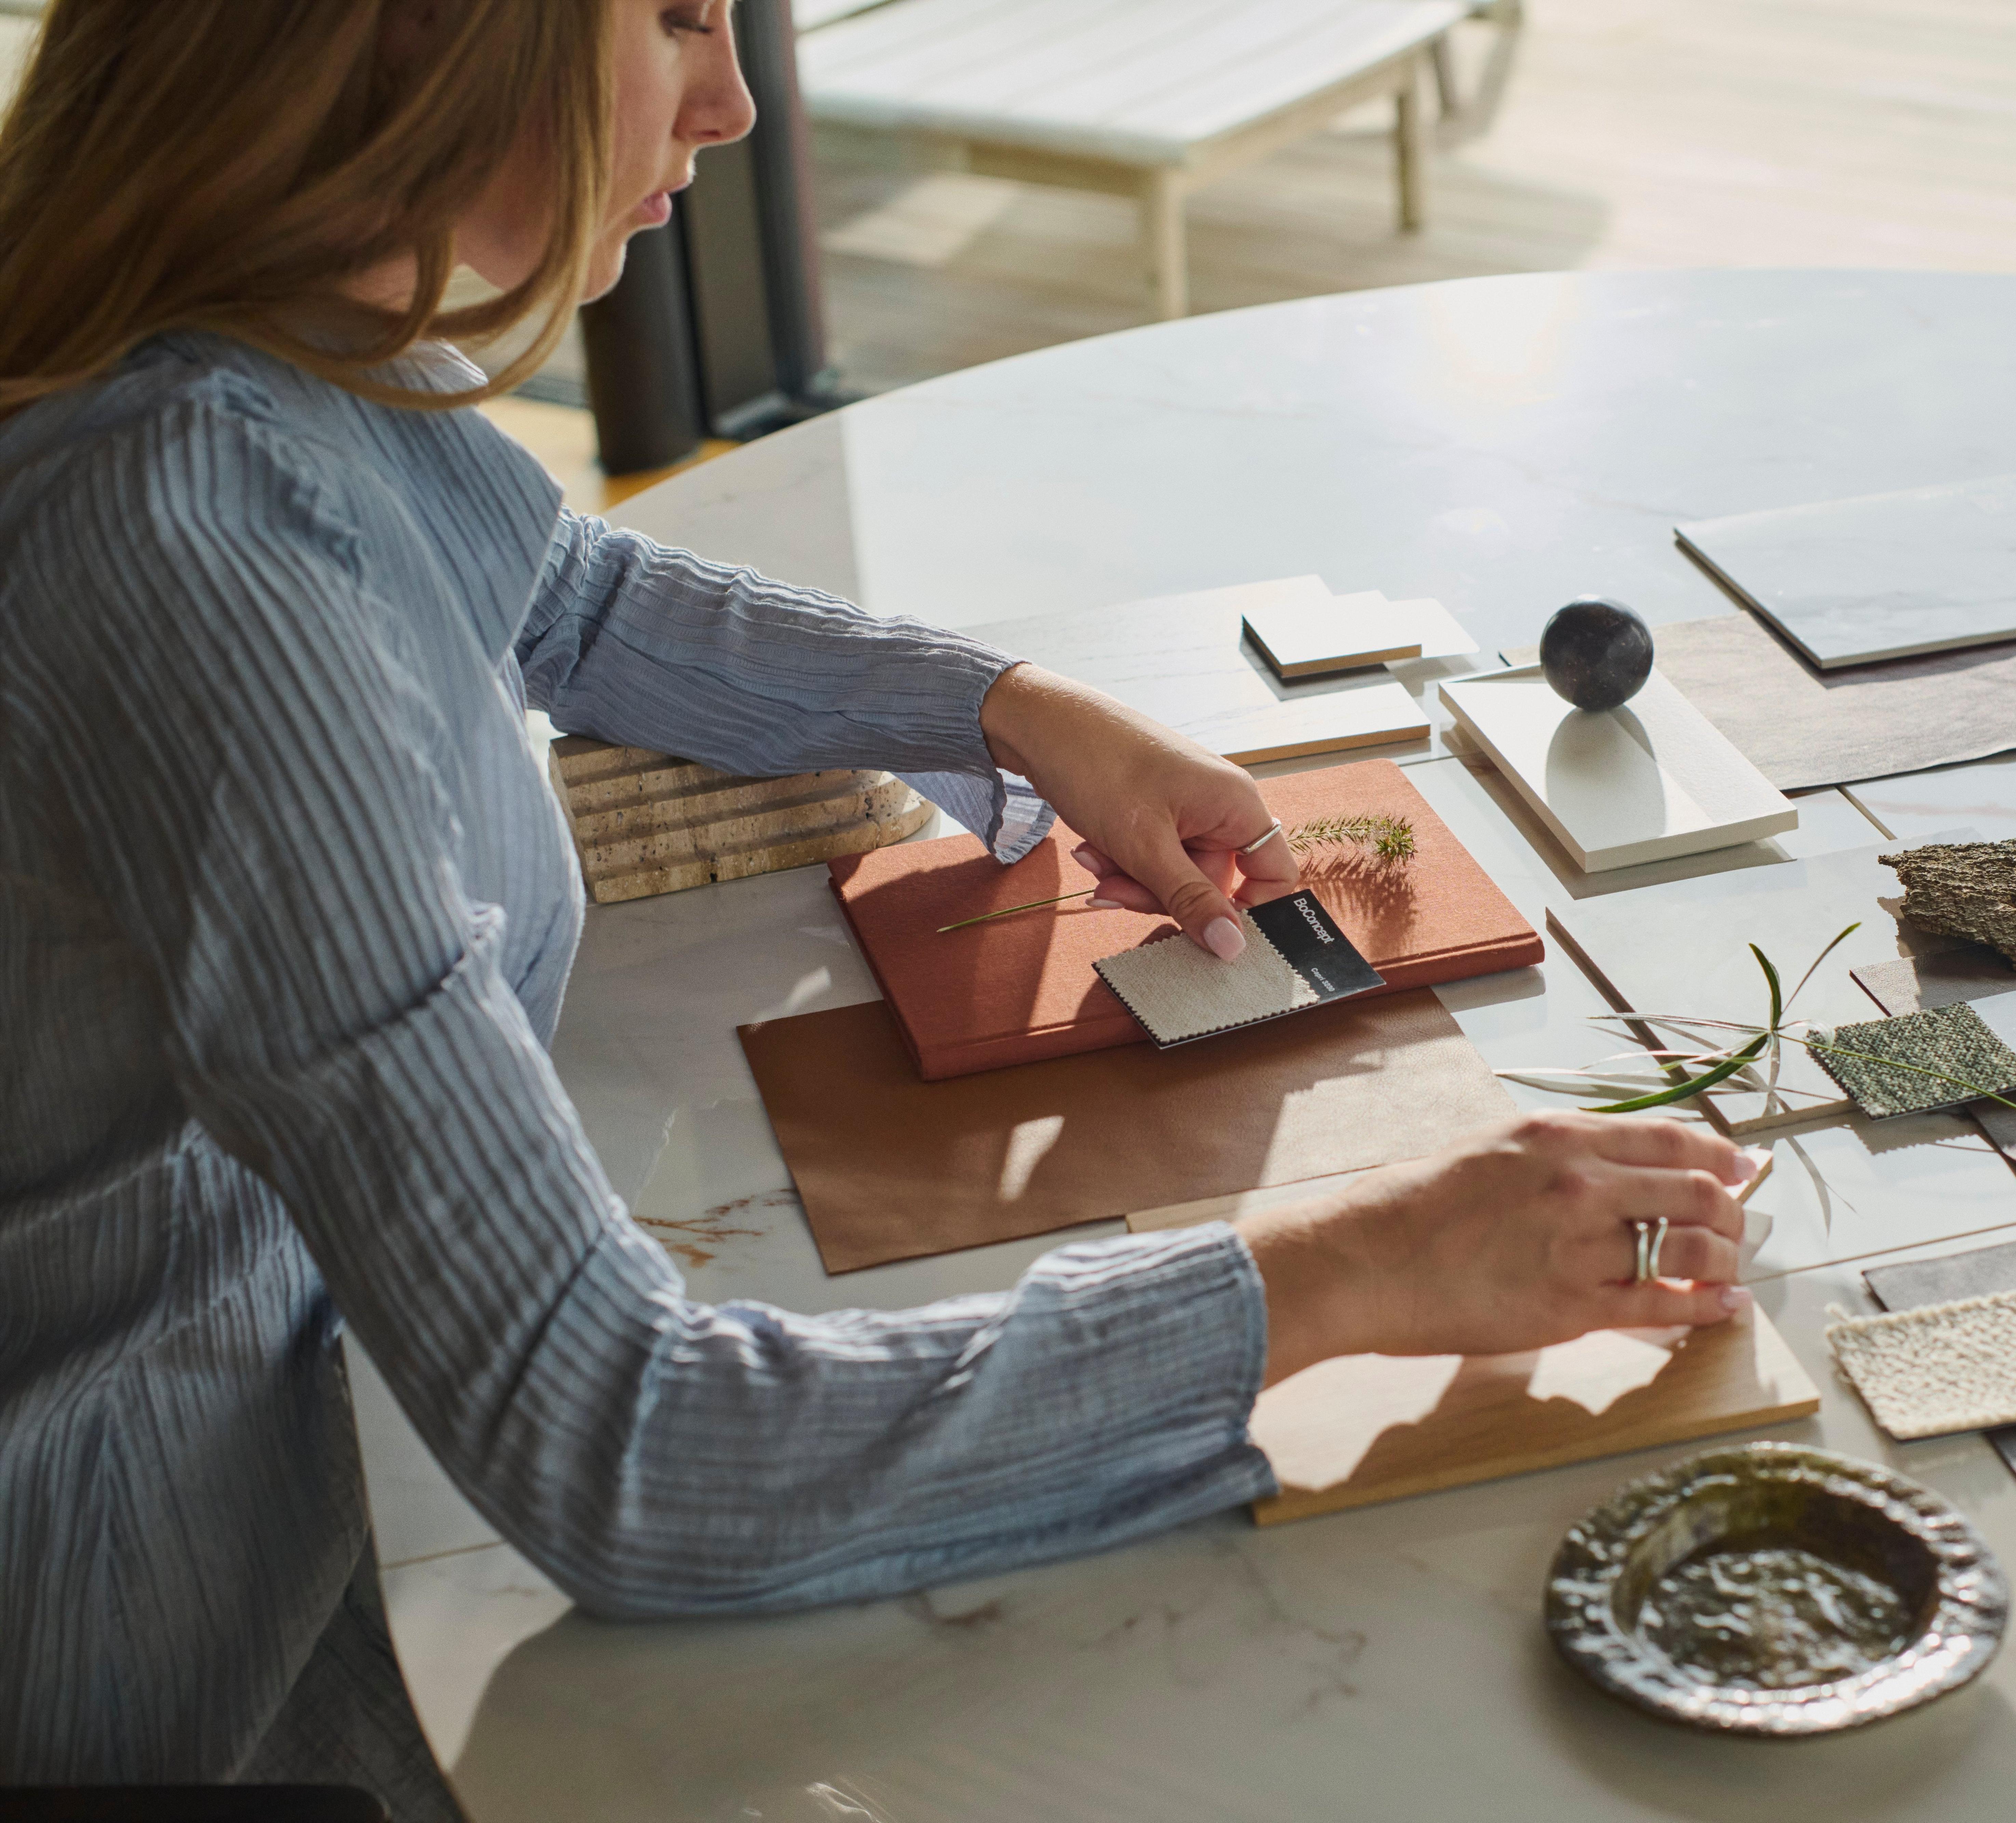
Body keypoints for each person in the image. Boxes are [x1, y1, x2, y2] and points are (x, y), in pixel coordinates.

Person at [0, 3, 1757, 1814]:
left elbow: (562, 599)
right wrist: (1364, 1264)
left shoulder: (303, 350)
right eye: (678, 16)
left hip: (344, 1458)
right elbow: (629, 1447)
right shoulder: (190, 541)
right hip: (177, 1686)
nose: (737, 101)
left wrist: (1007, 706)